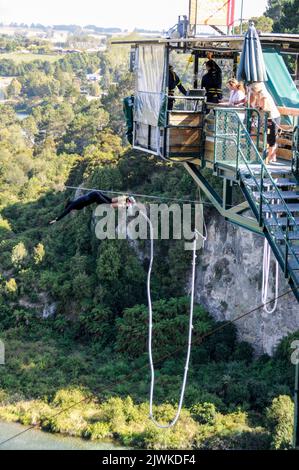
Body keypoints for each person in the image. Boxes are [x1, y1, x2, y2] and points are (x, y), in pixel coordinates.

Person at [49, 191, 135, 224]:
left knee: (109, 206)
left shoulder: (72, 205)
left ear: (70, 208)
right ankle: (127, 198)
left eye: (71, 210)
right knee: (111, 200)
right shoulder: (74, 203)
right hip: (94, 195)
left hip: (94, 196)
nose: (72, 212)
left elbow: (65, 212)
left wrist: (56, 219)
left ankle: (127, 205)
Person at [249, 82, 281, 163]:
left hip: (273, 117)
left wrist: (258, 108)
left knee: (271, 139)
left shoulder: (263, 95)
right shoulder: (258, 95)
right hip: (268, 118)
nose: (251, 93)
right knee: (269, 139)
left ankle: (269, 159)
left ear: (255, 90)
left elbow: (265, 108)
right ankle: (272, 157)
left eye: (252, 91)